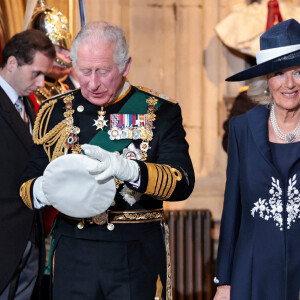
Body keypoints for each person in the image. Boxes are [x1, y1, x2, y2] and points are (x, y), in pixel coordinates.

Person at [20, 21, 195, 300]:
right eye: (84, 71)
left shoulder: (159, 111)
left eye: (103, 71)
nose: (92, 82)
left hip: (134, 253)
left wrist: (131, 170)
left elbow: (182, 181)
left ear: (125, 66)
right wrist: (42, 190)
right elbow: (26, 184)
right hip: (73, 251)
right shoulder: (54, 111)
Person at [213, 19, 300, 300]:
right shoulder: (243, 129)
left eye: (298, 72)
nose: (289, 83)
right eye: (278, 73)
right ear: (265, 81)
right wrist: (224, 283)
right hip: (253, 272)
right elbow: (232, 208)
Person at [0, 29, 55, 299]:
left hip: (30, 240)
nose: (43, 82)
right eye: (36, 73)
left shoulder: (30, 107)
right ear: (12, 64)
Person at [29, 2, 79, 104]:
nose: (69, 54)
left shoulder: (65, 90)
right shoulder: (29, 92)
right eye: (60, 48)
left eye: (68, 48)